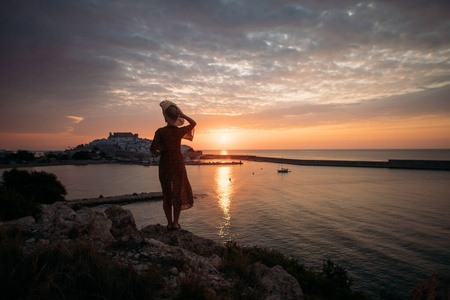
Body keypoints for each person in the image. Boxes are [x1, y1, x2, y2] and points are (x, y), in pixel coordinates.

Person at [150, 100, 197, 230]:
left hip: (165, 162)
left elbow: (153, 149)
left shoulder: (160, 132)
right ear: (176, 118)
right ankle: (176, 223)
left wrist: (161, 153)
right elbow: (193, 123)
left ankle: (169, 223)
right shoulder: (178, 132)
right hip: (177, 162)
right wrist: (183, 115)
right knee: (177, 191)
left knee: (167, 194)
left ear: (165, 117)